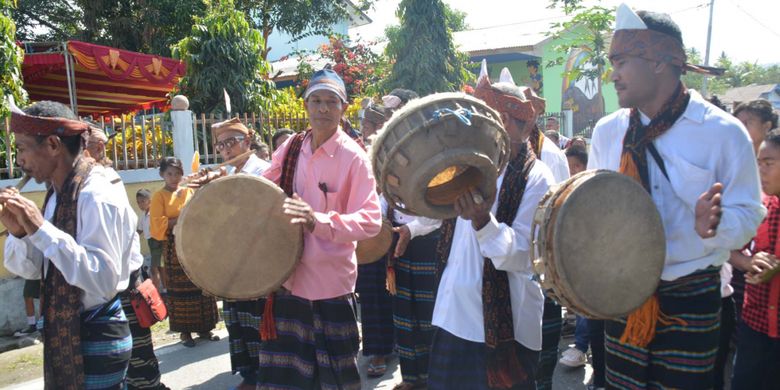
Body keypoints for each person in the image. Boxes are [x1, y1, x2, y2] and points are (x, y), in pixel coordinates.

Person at [588, 5, 765, 388]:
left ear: (656, 62)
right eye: (612, 61)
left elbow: (750, 211)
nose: (613, 74)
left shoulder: (723, 132)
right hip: (624, 294)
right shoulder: (608, 131)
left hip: (692, 296)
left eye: (622, 61)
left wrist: (715, 226)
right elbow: (592, 210)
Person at [427, 76, 553, 390]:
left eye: (484, 118)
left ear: (507, 122)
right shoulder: (465, 164)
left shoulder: (538, 178)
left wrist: (484, 221)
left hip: (500, 330)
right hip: (451, 311)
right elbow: (433, 211)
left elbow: (525, 254)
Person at [259, 68, 382, 389]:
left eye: (331, 102)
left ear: (344, 108)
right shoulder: (291, 148)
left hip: (330, 286)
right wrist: (222, 187)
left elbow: (370, 220)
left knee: (336, 380)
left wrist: (318, 221)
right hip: (288, 277)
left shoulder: (354, 158)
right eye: (316, 101)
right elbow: (261, 189)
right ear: (306, 106)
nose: (323, 109)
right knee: (287, 380)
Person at [2, 100, 137, 388]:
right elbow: (36, 269)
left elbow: (102, 279)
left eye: (23, 148)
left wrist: (39, 228)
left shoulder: (95, 195)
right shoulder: (55, 195)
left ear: (53, 144)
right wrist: (21, 234)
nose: (20, 160)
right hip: (66, 334)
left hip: (96, 334)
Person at [214, 117, 270, 390]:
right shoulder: (225, 175)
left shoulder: (262, 171)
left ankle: (266, 373)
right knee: (237, 317)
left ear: (246, 142)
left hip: (259, 257)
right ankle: (250, 373)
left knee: (259, 317)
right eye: (221, 145)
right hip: (235, 257)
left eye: (231, 142)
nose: (225, 149)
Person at [150, 157, 219, 348]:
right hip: (174, 246)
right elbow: (157, 225)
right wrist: (182, 218)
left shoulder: (190, 190)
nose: (174, 177)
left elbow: (202, 211)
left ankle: (205, 328)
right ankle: (185, 332)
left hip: (195, 242)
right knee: (180, 288)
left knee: (200, 283)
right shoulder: (159, 196)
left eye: (177, 173)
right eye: (169, 174)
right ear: (162, 175)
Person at [730, 129, 780, 389]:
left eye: (768, 163)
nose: (760, 170)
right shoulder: (756, 207)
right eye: (758, 163)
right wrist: (748, 263)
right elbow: (729, 250)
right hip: (755, 325)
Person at [136, 189, 165, 292]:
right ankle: (166, 289)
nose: (140, 204)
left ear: (150, 201)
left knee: (153, 268)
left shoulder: (154, 212)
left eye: (143, 201)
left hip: (157, 241)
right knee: (160, 267)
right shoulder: (142, 215)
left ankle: (156, 291)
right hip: (151, 243)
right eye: (138, 202)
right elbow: (139, 230)